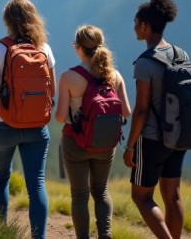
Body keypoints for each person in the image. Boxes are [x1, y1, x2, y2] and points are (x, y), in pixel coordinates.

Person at [0, 0, 55, 239]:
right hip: (36, 128)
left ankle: (1, 232)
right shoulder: (44, 49)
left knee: (1, 178)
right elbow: (51, 91)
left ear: (7, 21)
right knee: (36, 185)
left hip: (3, 126)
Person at [55, 25, 131, 239]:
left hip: (75, 143)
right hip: (105, 144)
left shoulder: (68, 77)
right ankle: (105, 234)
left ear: (78, 47)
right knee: (101, 191)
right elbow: (126, 111)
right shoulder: (114, 76)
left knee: (79, 196)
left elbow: (60, 117)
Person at [122, 0, 187, 239]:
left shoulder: (145, 63)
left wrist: (129, 146)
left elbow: (141, 109)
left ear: (144, 25)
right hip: (179, 137)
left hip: (151, 139)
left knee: (141, 196)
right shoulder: (181, 55)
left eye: (135, 23)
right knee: (173, 196)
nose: (134, 28)